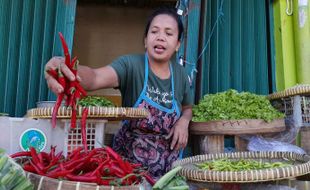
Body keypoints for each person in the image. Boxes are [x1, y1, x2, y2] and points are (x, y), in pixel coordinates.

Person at [45, 6, 193, 180]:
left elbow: (188, 106)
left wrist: (184, 121)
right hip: (127, 168)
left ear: (177, 45)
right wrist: (68, 69)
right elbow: (94, 77)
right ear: (145, 40)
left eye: (168, 33)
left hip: (169, 169)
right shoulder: (130, 65)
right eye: (154, 31)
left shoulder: (181, 74)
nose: (160, 37)